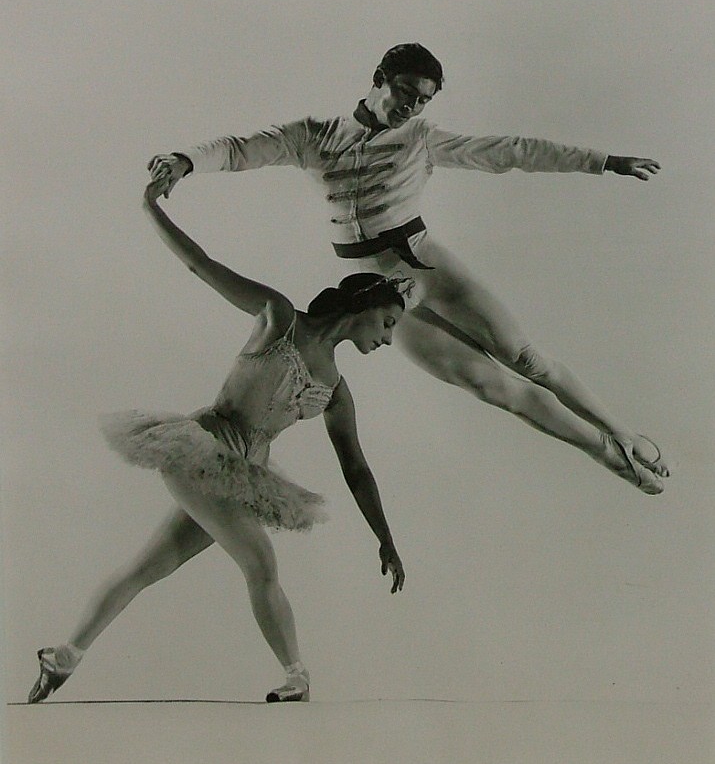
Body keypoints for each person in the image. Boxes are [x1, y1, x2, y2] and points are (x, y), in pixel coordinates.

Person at [147, 43, 669, 494]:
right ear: (378, 80)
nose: (411, 107)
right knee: (491, 386)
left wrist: (603, 161)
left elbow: (510, 151)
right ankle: (606, 454)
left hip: (428, 264)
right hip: (377, 289)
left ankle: (625, 434)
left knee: (526, 358)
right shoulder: (314, 136)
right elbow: (242, 150)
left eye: (423, 99)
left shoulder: (420, 138)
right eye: (405, 93)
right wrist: (185, 160)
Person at [28, 180, 407, 706]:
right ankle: (297, 674)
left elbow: (357, 470)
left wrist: (385, 538)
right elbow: (200, 264)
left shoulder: (337, 392)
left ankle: (65, 655)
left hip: (246, 475)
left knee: (148, 567)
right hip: (200, 450)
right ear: (364, 303)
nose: (387, 340)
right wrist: (148, 206)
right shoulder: (279, 316)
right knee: (260, 561)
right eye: (388, 324)